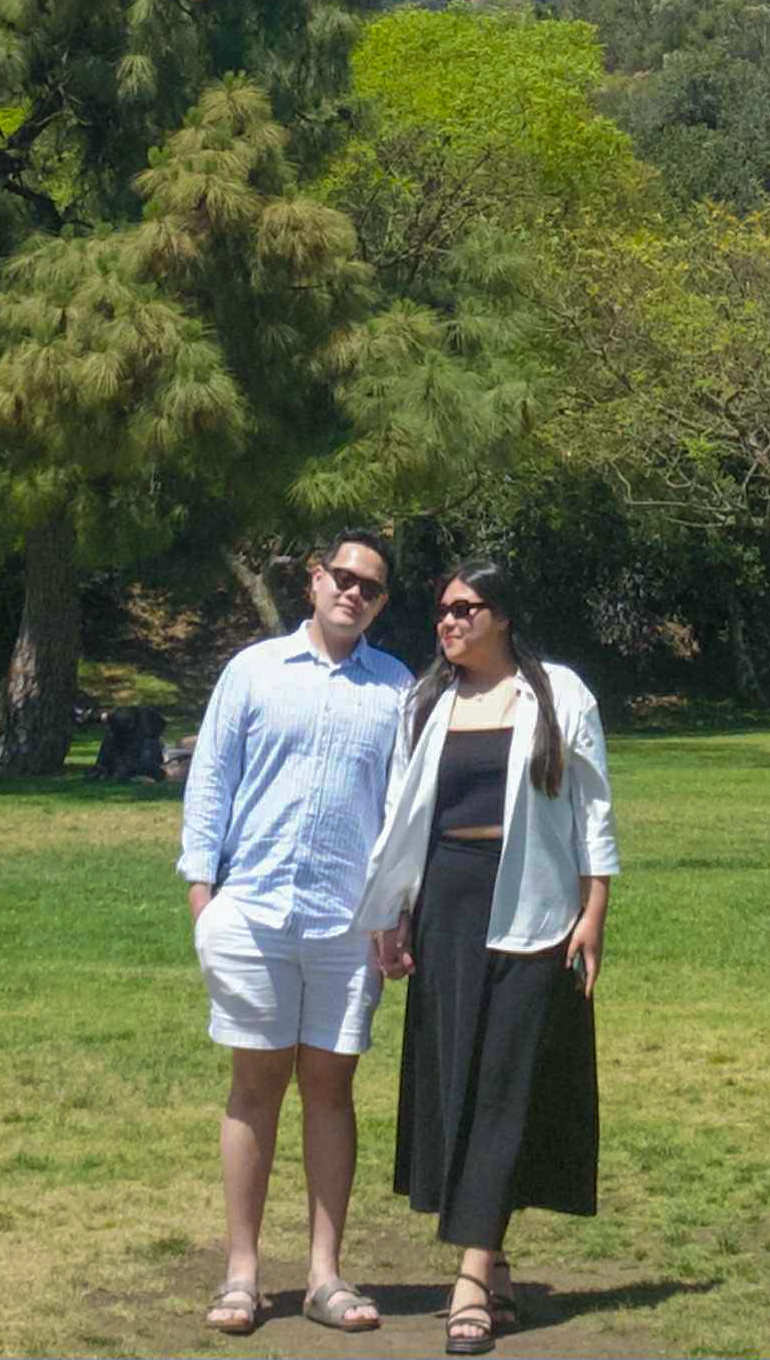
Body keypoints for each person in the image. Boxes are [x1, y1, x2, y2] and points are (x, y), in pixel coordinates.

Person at [355, 559, 619, 1355]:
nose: (450, 622)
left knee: (506, 1085)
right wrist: (393, 913)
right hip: (447, 910)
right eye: (442, 611)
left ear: (502, 615)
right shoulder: (427, 702)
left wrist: (595, 909)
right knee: (457, 1085)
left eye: (466, 608)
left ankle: (468, 1277)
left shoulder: (559, 694)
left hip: (536, 910)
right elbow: (405, 816)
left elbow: (593, 804)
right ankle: (495, 1256)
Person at [179, 530, 411, 1337]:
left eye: (370, 588)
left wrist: (393, 915)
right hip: (255, 912)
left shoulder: (395, 689)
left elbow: (399, 816)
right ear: (313, 580)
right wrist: (203, 896)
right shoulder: (253, 671)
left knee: (330, 1090)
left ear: (382, 603)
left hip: (349, 926)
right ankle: (241, 1275)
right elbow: (212, 780)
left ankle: (324, 1275)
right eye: (341, 577)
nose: (352, 593)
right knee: (253, 1087)